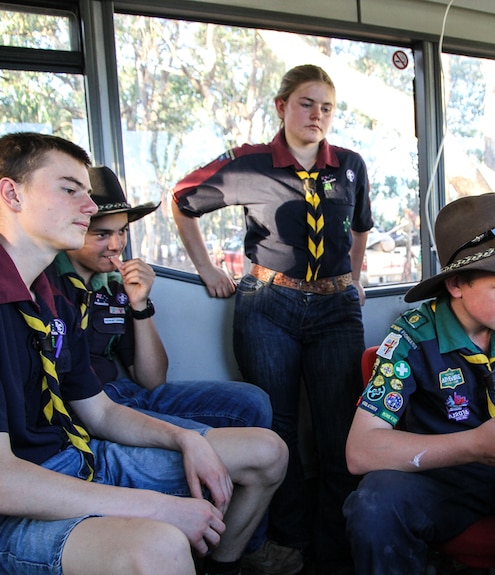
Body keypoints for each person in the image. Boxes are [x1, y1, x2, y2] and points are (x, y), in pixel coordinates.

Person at [0, 132, 288, 575]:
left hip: (78, 457)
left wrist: (185, 438)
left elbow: (102, 413)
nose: (90, 207)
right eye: (71, 190)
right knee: (159, 546)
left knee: (268, 453)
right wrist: (155, 508)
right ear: (12, 193)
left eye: (88, 195)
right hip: (6, 506)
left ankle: (223, 568)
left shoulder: (48, 288)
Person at [48, 165, 300, 575]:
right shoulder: (49, 286)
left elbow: (151, 378)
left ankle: (246, 542)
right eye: (102, 234)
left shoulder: (115, 283)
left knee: (252, 402)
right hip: (94, 405)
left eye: (122, 232)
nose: (116, 245)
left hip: (127, 390)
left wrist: (140, 304)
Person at [171, 64, 372, 574]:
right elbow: (182, 200)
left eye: (326, 107)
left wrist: (356, 273)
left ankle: (336, 548)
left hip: (335, 309)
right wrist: (204, 267)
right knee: (277, 432)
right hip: (268, 307)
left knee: (338, 430)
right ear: (282, 106)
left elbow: (360, 228)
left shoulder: (349, 165)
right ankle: (288, 544)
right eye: (307, 103)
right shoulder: (249, 163)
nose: (317, 115)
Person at [342, 192, 495, 574]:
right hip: (450, 478)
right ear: (457, 284)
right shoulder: (413, 337)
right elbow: (360, 451)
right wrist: (476, 445)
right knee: (375, 506)